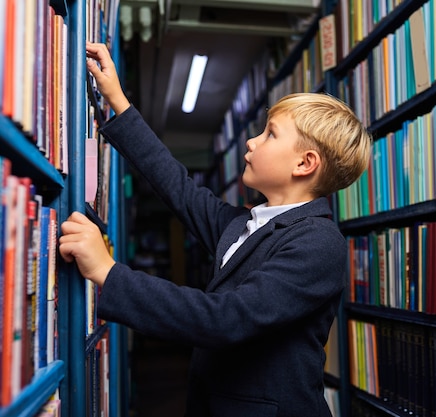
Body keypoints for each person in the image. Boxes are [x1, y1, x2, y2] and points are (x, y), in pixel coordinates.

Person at [58, 42, 372, 417]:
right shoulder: (248, 223)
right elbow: (179, 189)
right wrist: (119, 103)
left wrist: (108, 273)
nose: (252, 142)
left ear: (305, 163)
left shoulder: (319, 243)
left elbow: (224, 319)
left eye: (270, 134)